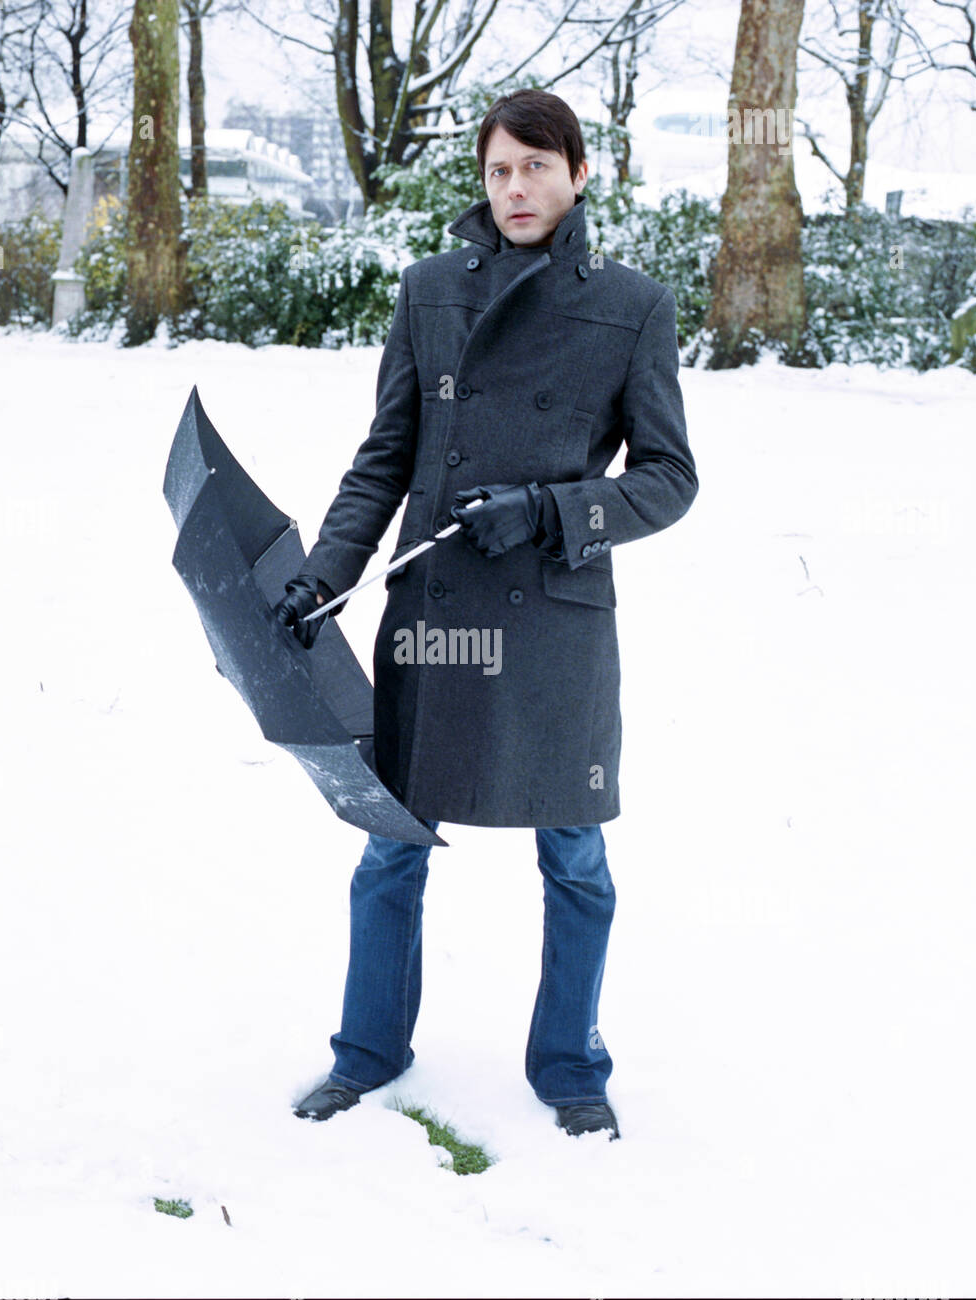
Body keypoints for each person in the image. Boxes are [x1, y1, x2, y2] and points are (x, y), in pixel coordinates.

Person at [275, 89, 698, 1141]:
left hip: (553, 620)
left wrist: (553, 511)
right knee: (390, 845)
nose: (517, 189)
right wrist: (326, 571)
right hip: (435, 613)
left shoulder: (633, 305)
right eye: (499, 170)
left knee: (574, 856)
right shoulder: (428, 292)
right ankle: (365, 1052)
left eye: (537, 168)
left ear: (579, 174)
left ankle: (569, 1065)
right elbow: (383, 458)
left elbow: (669, 477)